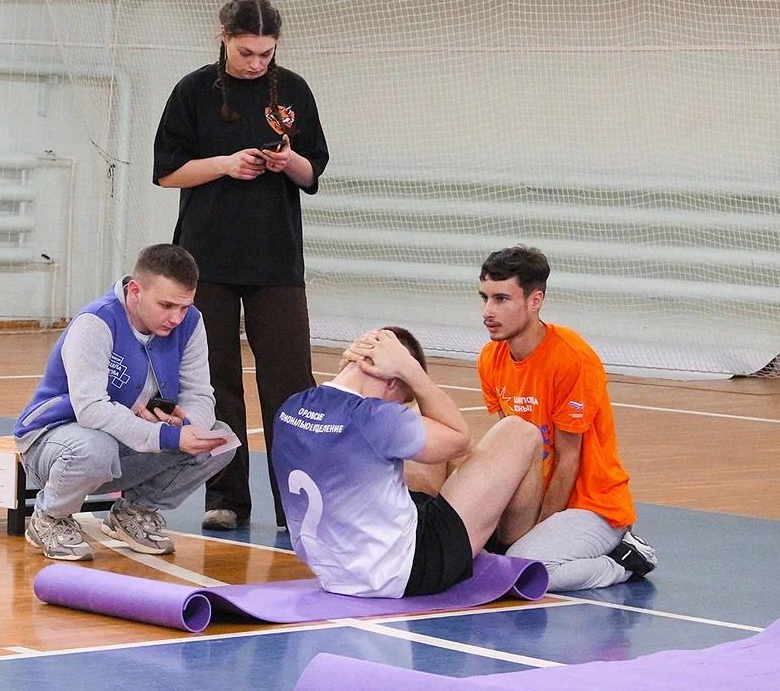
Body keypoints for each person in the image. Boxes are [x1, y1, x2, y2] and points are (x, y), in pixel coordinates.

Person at [153, 0, 330, 532]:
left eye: (266, 53)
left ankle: (296, 502)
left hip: (277, 261)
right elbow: (167, 172)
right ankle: (225, 497)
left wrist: (288, 161)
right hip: (207, 261)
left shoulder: (293, 89)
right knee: (216, 381)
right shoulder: (192, 91)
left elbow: (313, 171)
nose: (256, 63)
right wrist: (226, 165)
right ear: (223, 37)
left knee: (290, 384)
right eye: (247, 52)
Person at [271, 327, 544, 598]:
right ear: (392, 380)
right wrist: (412, 372)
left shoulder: (291, 407)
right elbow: (460, 439)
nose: (397, 405)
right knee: (518, 432)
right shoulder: (376, 418)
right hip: (407, 569)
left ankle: (476, 533)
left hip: (334, 572)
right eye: (401, 397)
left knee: (417, 431)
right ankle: (509, 556)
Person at [13, 244, 233, 560]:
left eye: (184, 307)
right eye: (166, 305)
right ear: (134, 291)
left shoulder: (191, 323)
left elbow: (199, 394)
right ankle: (50, 517)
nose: (176, 318)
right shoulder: (96, 321)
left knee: (220, 440)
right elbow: (90, 410)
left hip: (123, 440)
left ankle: (133, 512)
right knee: (95, 447)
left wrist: (187, 426)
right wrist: (168, 436)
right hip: (53, 441)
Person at [476, 245, 658, 591]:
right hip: (535, 499)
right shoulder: (490, 359)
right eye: (484, 298)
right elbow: (510, 449)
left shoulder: (572, 358)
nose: (488, 312)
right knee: (474, 558)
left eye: (501, 299)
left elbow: (567, 459)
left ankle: (622, 562)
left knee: (526, 571)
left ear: (535, 301)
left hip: (593, 507)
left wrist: (540, 528)